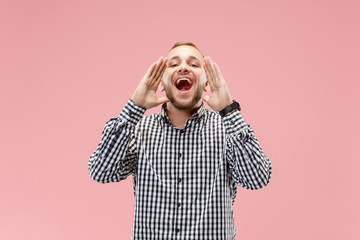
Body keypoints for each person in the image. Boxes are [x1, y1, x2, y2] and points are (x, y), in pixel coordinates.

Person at [88, 41, 272, 240]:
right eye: (174, 64)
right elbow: (100, 172)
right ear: (161, 83)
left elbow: (257, 179)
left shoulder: (227, 129)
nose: (184, 67)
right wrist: (134, 107)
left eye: (194, 64)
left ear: (206, 83)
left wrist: (228, 111)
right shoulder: (138, 130)